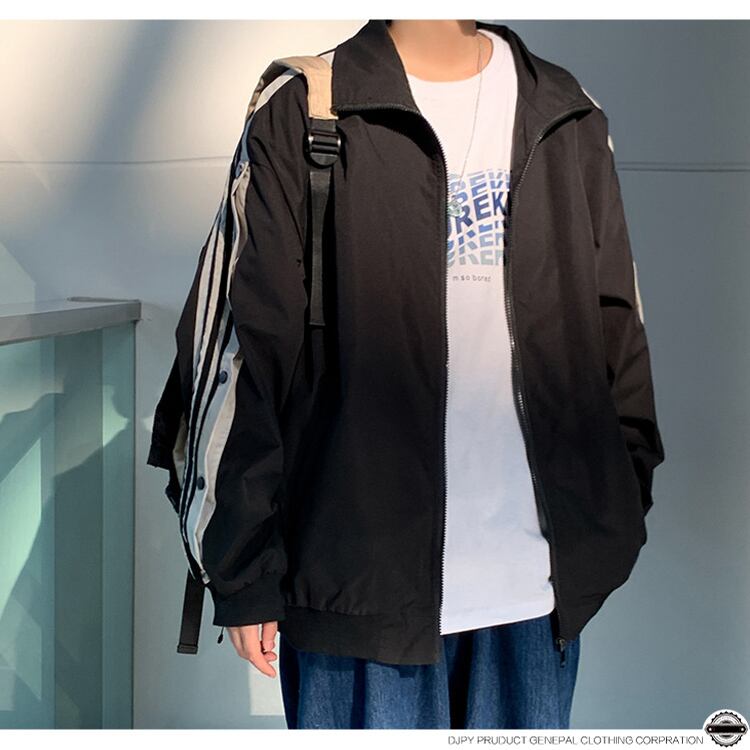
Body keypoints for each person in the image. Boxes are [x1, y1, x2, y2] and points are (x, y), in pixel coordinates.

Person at [147, 18, 665, 730]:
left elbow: (615, 328)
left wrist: (613, 509)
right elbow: (244, 347)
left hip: (535, 595)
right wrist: (241, 565)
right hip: (355, 588)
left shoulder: (565, 109)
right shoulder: (307, 106)